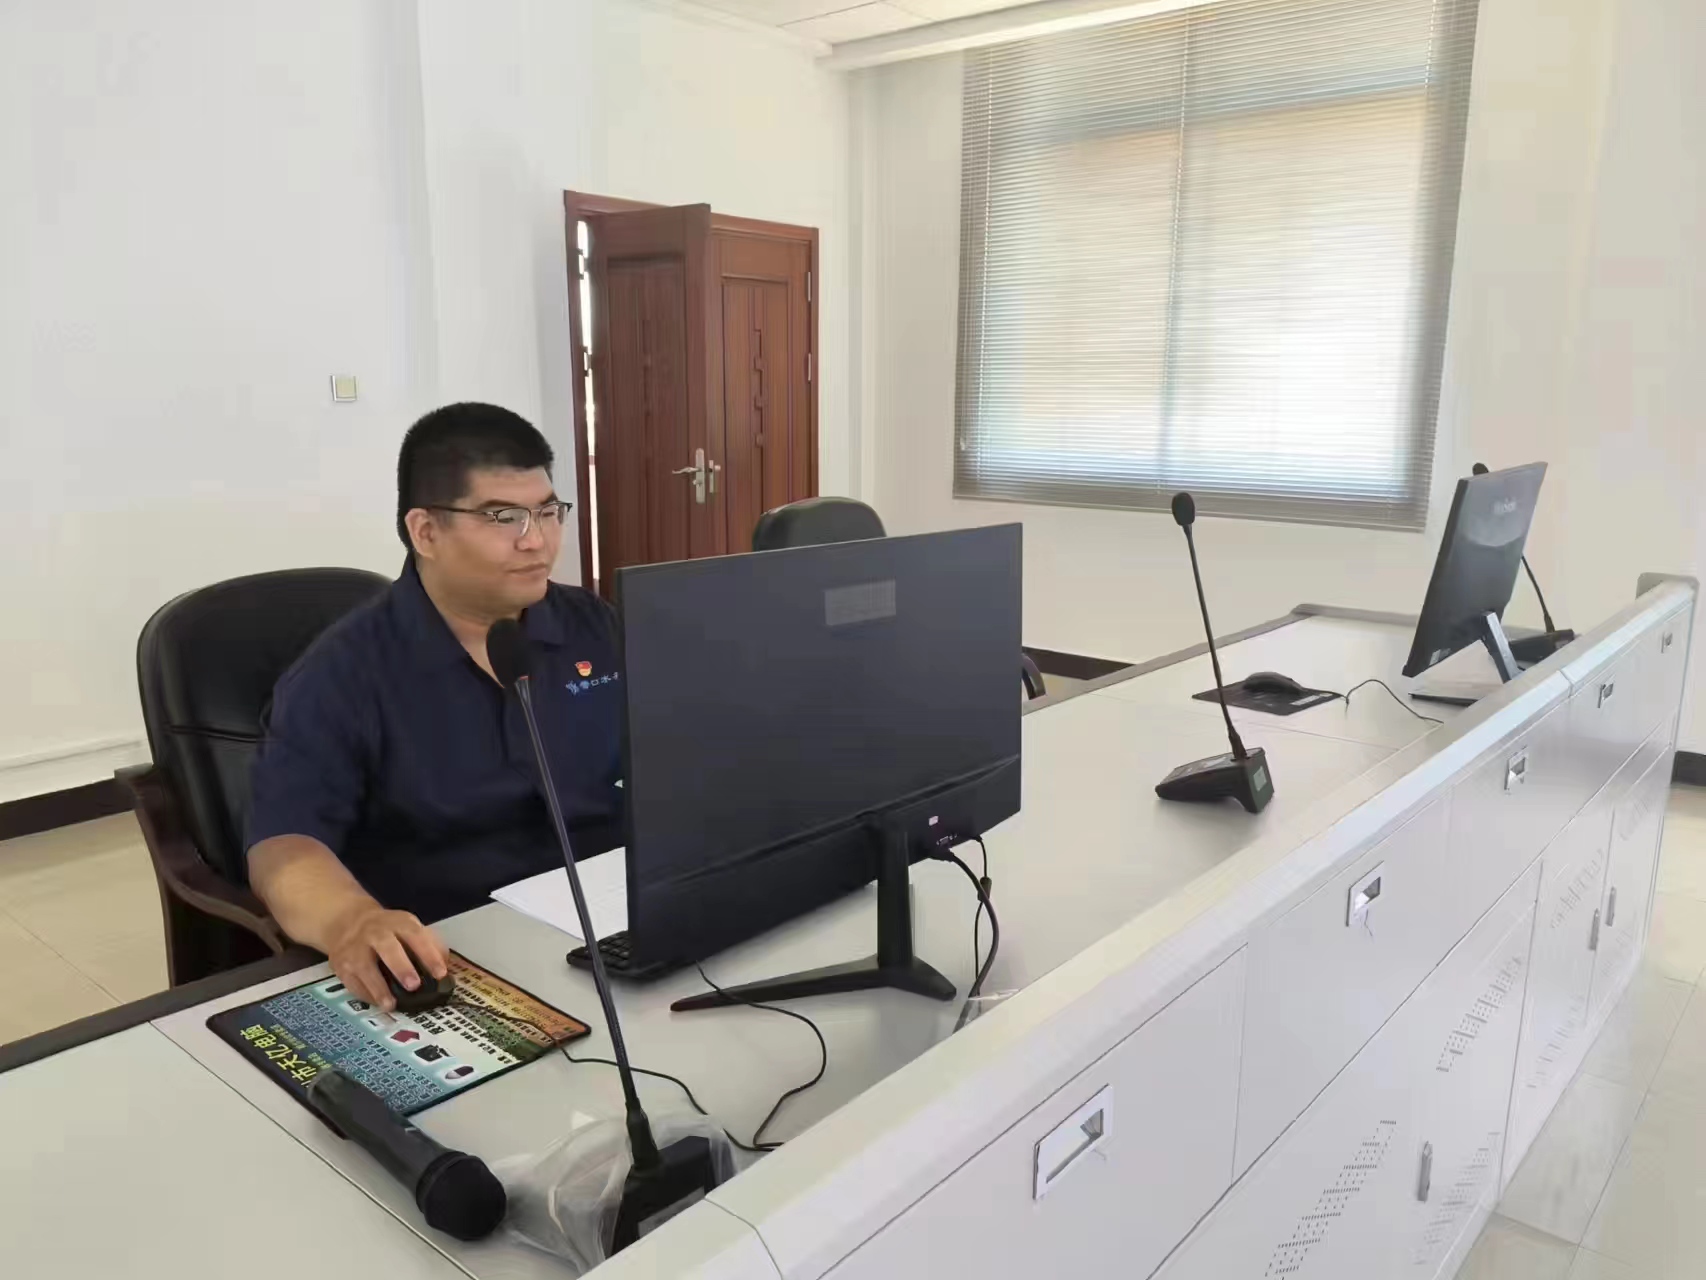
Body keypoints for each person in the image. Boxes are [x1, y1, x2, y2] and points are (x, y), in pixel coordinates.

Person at [246, 403, 623, 1010]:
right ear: (425, 531)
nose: (538, 540)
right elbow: (284, 844)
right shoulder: (343, 673)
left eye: (549, 511)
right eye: (503, 517)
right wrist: (350, 919)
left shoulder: (590, 623)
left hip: (615, 917)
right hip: (455, 948)